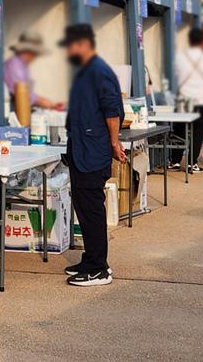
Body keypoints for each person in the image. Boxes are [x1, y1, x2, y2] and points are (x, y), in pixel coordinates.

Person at [60, 23, 124, 287]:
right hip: (79, 150)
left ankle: (99, 268)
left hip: (93, 151)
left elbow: (112, 111)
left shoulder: (99, 72)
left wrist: (114, 143)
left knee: (92, 209)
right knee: (83, 208)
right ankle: (90, 258)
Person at [171, 27, 203, 173]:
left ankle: (174, 161)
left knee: (180, 129)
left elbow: (177, 75)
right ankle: (191, 163)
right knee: (198, 132)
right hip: (202, 101)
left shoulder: (180, 57)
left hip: (184, 99)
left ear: (189, 40)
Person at [3, 31, 65, 110]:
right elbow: (21, 92)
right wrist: (44, 102)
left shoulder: (22, 66)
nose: (35, 56)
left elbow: (28, 92)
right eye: (34, 53)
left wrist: (49, 103)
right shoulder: (14, 65)